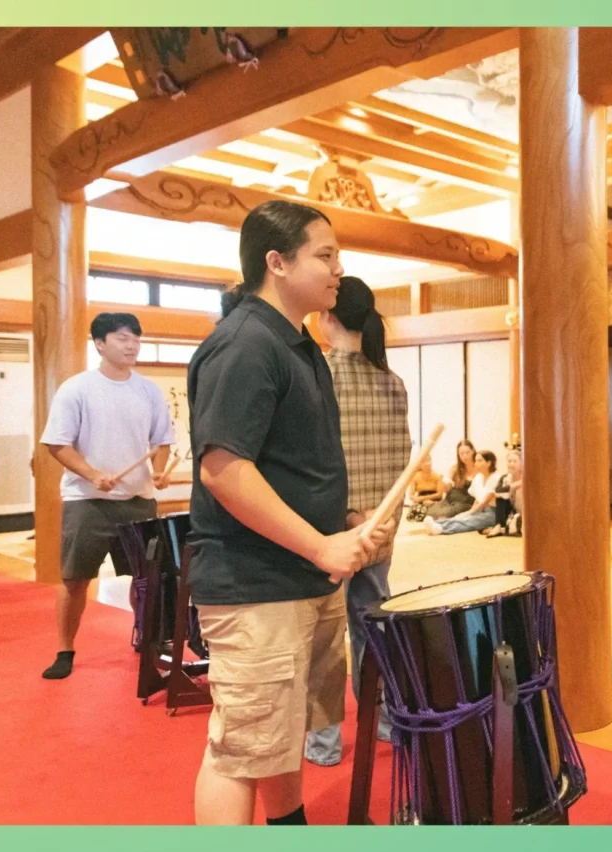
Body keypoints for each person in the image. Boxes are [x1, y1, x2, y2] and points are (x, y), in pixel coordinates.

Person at [187, 200, 395, 825]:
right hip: (257, 584)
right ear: (277, 262)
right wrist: (317, 545)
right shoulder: (247, 343)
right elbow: (223, 469)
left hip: (301, 578)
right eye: (325, 255)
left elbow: (290, 463)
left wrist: (346, 522)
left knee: (284, 733)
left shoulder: (296, 344)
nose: (338, 270)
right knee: (241, 750)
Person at [302, 276, 412, 767]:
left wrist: (351, 518)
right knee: (375, 628)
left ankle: (324, 742)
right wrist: (384, 522)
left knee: (325, 640)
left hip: (332, 533)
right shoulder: (392, 381)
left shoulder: (317, 374)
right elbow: (403, 461)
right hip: (382, 531)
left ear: (326, 317)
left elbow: (317, 464)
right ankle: (385, 721)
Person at [37, 313, 176, 680]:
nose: (132, 345)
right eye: (122, 338)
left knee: (144, 578)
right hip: (87, 501)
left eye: (136, 339)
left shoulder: (147, 390)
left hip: (137, 499)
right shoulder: (77, 388)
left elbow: (161, 440)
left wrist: (159, 471)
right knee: (75, 579)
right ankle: (65, 649)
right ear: (99, 343)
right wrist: (93, 474)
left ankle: (146, 638)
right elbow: (57, 443)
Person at [424, 451, 498, 535]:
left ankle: (441, 529)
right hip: (479, 508)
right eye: (476, 460)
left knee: (468, 521)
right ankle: (437, 524)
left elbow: (484, 502)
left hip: (493, 512)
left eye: (480, 461)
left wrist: (470, 512)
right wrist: (469, 512)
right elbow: (477, 499)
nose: (476, 463)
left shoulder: (496, 478)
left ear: (489, 463)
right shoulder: (478, 478)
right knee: (459, 517)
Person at [426, 440, 479, 520]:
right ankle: (442, 519)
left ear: (473, 451)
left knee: (446, 513)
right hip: (450, 499)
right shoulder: (455, 468)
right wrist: (446, 486)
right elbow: (448, 490)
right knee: (431, 512)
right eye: (461, 453)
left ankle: (443, 521)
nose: (465, 456)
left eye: (467, 452)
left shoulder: (479, 468)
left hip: (465, 502)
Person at [405, 454, 446, 521]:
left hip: (434, 501)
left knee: (433, 512)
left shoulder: (437, 476)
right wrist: (419, 499)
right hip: (421, 501)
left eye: (429, 460)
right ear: (420, 464)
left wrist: (425, 499)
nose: (427, 463)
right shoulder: (415, 476)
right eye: (424, 461)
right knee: (412, 513)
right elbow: (411, 495)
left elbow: (439, 495)